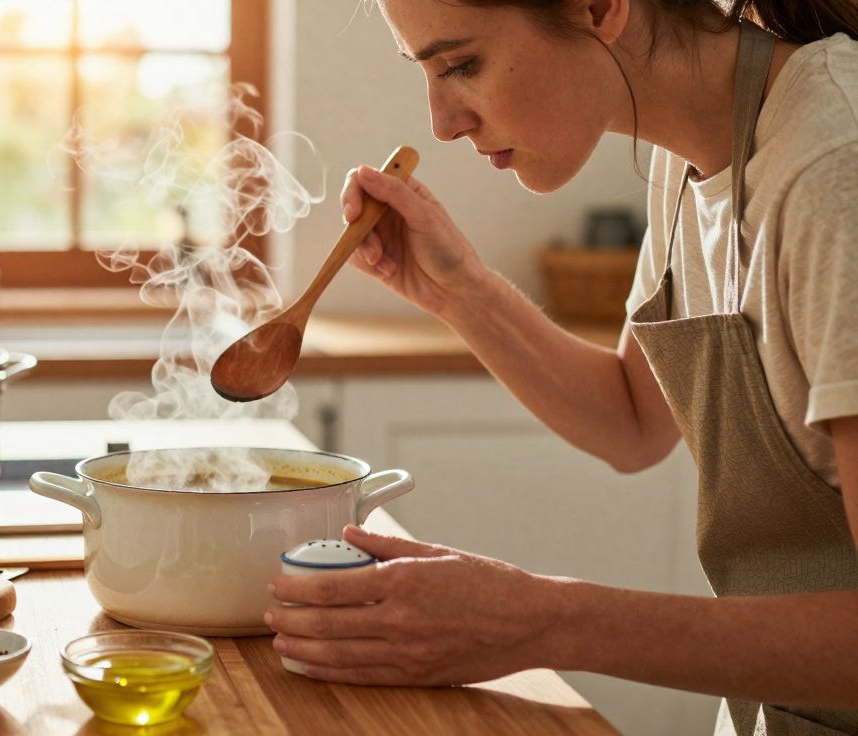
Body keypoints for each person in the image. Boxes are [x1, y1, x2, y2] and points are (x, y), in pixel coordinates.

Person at [263, 1, 858, 733]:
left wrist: (541, 620)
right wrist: (460, 291)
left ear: (601, 7)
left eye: (461, 66)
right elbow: (633, 421)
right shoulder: (690, 156)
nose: (443, 123)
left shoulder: (834, 166)